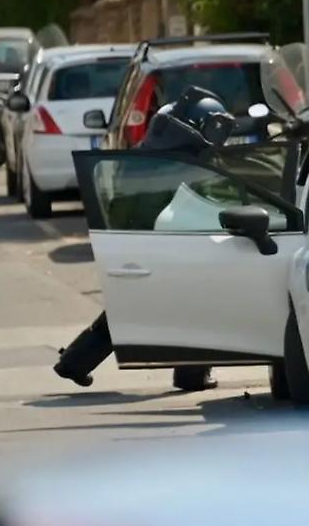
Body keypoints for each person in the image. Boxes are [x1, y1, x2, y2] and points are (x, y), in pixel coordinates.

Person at [53, 87, 236, 391]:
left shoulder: (146, 155)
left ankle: (74, 361)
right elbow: (214, 208)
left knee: (126, 307)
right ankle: (191, 374)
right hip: (172, 253)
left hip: (130, 247)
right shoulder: (189, 166)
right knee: (199, 304)